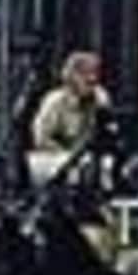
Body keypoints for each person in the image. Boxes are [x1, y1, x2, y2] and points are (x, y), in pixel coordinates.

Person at [28, 51, 108, 196]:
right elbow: (41, 137)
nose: (92, 79)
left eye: (95, 73)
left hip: (88, 160)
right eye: (85, 74)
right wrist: (67, 156)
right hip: (54, 158)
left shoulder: (99, 100)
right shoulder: (54, 102)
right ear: (72, 77)